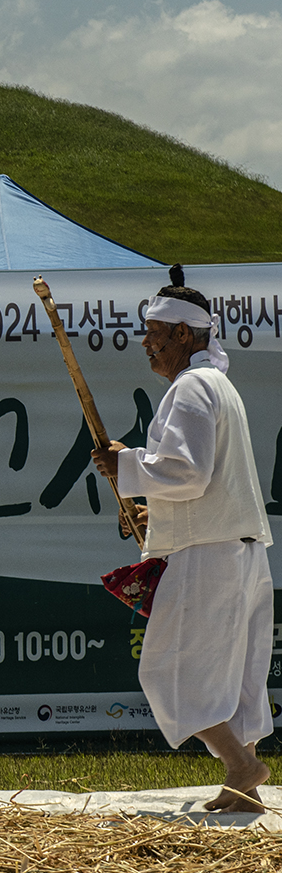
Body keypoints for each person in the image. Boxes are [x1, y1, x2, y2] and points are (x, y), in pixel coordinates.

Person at [92, 264, 275, 813]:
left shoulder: (193, 387)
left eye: (154, 332)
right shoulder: (218, 386)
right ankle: (243, 785)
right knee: (234, 673)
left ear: (182, 334)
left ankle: (241, 764)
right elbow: (208, 482)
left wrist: (126, 464)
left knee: (169, 668)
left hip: (208, 555)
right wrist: (153, 510)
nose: (145, 343)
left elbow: (188, 472)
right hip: (235, 549)